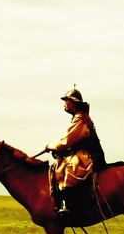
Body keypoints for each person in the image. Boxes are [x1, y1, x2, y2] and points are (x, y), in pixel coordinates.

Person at [45, 87, 106, 219]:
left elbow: (67, 141)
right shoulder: (79, 118)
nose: (64, 104)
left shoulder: (81, 119)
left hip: (86, 154)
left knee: (71, 167)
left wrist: (51, 146)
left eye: (66, 101)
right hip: (82, 152)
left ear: (73, 102)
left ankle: (68, 203)